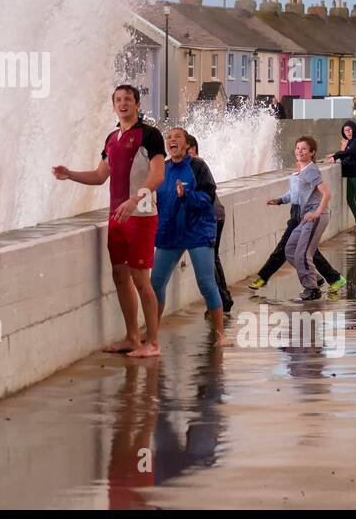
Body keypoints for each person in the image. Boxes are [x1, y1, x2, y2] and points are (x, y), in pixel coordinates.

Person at [54, 85, 166, 358]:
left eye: (128, 99)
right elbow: (99, 175)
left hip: (140, 216)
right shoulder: (112, 138)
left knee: (141, 279)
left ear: (137, 104)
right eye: (118, 100)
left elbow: (158, 175)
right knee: (119, 275)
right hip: (117, 217)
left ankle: (152, 341)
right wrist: (70, 174)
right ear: (113, 106)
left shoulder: (150, 135)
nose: (123, 103)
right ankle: (131, 337)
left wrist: (134, 199)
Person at [149, 128, 225, 345]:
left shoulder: (197, 166)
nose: (172, 140)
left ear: (186, 143)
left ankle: (220, 334)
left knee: (206, 283)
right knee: (156, 283)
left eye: (177, 137)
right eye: (169, 138)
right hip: (169, 232)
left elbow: (208, 197)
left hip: (198, 231)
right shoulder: (162, 168)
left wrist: (187, 195)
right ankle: (152, 335)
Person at [273, 136, 334, 302]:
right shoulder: (300, 170)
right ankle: (315, 278)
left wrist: (316, 213)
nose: (300, 151)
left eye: (304, 149)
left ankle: (312, 289)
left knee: (302, 253)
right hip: (304, 217)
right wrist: (279, 200)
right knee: (290, 250)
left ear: (312, 152)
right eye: (297, 148)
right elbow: (295, 194)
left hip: (315, 217)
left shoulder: (311, 170)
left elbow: (327, 193)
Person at [187, 136, 232, 315]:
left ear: (194, 149)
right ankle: (224, 299)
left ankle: (220, 302)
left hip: (210, 218)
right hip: (217, 215)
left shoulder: (195, 164)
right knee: (213, 258)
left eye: (188, 149)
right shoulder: (196, 164)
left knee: (209, 260)